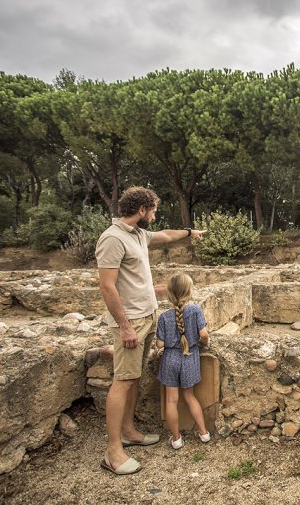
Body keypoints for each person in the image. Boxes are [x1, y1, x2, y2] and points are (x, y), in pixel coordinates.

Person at [96, 186, 205, 475]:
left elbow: (167, 235)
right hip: (130, 322)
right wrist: (124, 326)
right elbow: (106, 286)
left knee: (133, 378)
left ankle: (129, 431)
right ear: (141, 210)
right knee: (123, 380)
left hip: (145, 317)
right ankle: (113, 451)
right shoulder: (113, 238)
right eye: (154, 210)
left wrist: (189, 232)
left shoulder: (138, 235)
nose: (155, 216)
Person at [155, 273, 212, 449]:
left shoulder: (164, 316)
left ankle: (176, 439)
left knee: (171, 401)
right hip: (190, 356)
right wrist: (205, 343)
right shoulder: (195, 310)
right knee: (190, 396)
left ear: (170, 293)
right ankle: (203, 433)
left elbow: (159, 344)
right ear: (189, 291)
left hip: (170, 358)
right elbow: (204, 335)